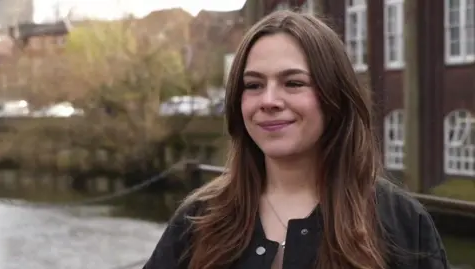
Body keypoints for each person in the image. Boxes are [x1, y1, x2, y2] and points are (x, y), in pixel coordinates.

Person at [143, 10, 449, 269]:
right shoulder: (199, 220)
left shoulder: (401, 223)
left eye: (293, 83)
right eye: (253, 85)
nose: (269, 100)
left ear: (334, 96)